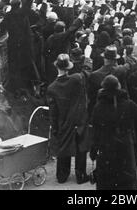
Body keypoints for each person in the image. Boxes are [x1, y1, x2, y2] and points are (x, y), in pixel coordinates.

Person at [90, 74, 137, 190]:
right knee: (126, 180)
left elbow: (95, 131)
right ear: (118, 86)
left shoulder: (98, 107)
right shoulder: (127, 104)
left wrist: (93, 150)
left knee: (107, 181)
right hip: (125, 147)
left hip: (106, 148)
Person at [47, 54, 90, 185]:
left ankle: (62, 175)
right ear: (68, 68)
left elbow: (53, 113)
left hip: (63, 122)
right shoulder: (76, 79)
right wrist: (87, 57)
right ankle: (80, 175)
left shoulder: (51, 88)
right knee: (81, 147)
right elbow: (87, 72)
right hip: (79, 119)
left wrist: (55, 128)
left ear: (57, 67)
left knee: (63, 148)